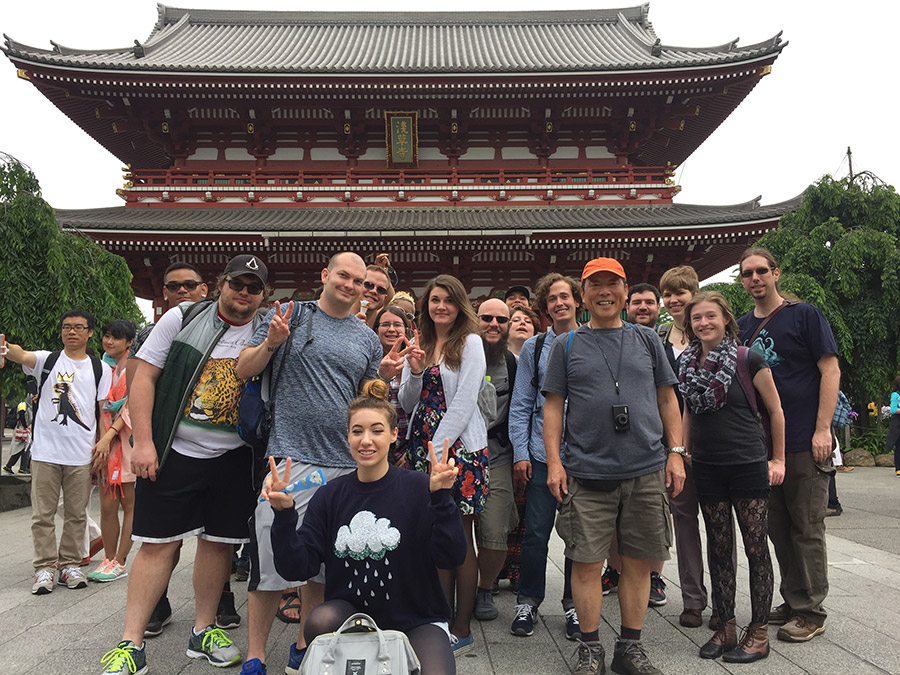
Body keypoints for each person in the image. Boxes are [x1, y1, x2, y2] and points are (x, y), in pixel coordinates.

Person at [99, 255, 269, 675]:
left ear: (262, 294)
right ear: (220, 283)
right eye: (237, 283)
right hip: (176, 449)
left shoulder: (266, 328)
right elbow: (145, 378)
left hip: (234, 457)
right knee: (158, 544)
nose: (243, 293)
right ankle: (130, 642)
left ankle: (204, 629)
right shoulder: (182, 316)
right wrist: (144, 442)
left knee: (218, 544)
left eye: (253, 287)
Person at [237, 251, 387, 675]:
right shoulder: (289, 315)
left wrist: (386, 377)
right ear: (325, 275)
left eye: (360, 282)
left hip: (344, 464)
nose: (353, 286)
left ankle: (305, 644)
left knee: (323, 564)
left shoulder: (367, 338)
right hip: (292, 458)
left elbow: (367, 395)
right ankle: (255, 654)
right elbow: (243, 369)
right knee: (268, 557)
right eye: (345, 276)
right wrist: (272, 342)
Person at [265, 379, 466, 675]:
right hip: (351, 614)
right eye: (357, 431)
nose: (366, 440)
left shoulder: (419, 487)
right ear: (347, 436)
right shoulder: (329, 497)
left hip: (417, 616)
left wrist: (441, 498)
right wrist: (283, 515)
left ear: (394, 434)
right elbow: (296, 568)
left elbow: (452, 557)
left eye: (377, 430)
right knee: (318, 621)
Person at [543, 257, 684, 675]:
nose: (604, 292)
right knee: (586, 563)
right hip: (587, 471)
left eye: (613, 284)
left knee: (639, 561)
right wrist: (554, 463)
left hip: (645, 468)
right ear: (583, 295)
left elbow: (666, 398)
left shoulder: (646, 339)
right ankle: (589, 648)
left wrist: (676, 451)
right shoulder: (566, 345)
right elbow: (552, 407)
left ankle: (630, 647)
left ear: (625, 292)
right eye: (595, 285)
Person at [737, 247, 840, 643]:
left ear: (776, 273)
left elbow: (829, 369)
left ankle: (812, 610)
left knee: (807, 525)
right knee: (777, 527)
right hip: (760, 444)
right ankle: (794, 598)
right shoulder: (743, 326)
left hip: (801, 438)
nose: (755, 278)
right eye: (747, 273)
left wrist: (822, 428)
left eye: (762, 270)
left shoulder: (805, 315)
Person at [679, 291, 786, 663]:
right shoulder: (687, 365)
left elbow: (775, 411)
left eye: (711, 316)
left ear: (726, 319)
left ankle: (758, 633)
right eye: (696, 318)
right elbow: (689, 412)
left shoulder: (747, 358)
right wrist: (682, 451)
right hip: (707, 466)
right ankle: (725, 625)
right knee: (719, 547)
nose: (703, 323)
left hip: (747, 463)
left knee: (756, 548)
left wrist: (778, 458)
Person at [399, 274, 487, 656]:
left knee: (460, 533)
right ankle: (436, 617)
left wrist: (440, 449)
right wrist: (415, 370)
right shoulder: (422, 341)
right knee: (433, 532)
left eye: (449, 300)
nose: (441, 307)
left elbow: (466, 400)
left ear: (460, 304)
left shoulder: (470, 342)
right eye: (435, 300)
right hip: (423, 447)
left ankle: (462, 626)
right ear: (426, 305)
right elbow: (406, 401)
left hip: (459, 449)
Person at [126, 261, 211, 637]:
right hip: (171, 443)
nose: (182, 291)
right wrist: (143, 439)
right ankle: (152, 608)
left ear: (204, 289)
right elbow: (137, 380)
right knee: (163, 538)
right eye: (173, 285)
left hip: (223, 451)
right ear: (162, 292)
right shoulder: (157, 328)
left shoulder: (239, 326)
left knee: (220, 537)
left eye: (189, 285)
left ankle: (215, 609)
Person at [3, 310, 113, 596]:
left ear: (90, 333)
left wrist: (103, 444)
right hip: (45, 452)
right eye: (66, 327)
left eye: (78, 327)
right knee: (43, 515)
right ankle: (44, 567)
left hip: (80, 453)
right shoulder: (47, 360)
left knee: (77, 514)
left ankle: (70, 565)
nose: (71, 332)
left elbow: (103, 411)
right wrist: (5, 347)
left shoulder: (100, 368)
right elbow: (20, 354)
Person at [508, 272, 582, 641]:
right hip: (540, 451)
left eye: (565, 296)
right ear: (545, 306)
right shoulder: (535, 348)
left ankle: (575, 602)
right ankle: (529, 599)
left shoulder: (592, 341)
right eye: (552, 298)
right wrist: (521, 452)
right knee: (535, 532)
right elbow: (521, 404)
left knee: (579, 535)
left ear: (577, 301)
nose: (559, 303)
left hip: (584, 455)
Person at [605, 280, 669, 610]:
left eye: (649, 302)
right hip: (607, 452)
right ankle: (614, 570)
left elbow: (668, 396)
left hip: (652, 447)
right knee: (614, 519)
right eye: (637, 303)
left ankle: (653, 576)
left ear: (659, 307)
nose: (642, 307)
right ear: (627, 305)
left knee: (650, 524)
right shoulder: (596, 340)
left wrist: (676, 450)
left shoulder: (660, 342)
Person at [657, 266, 710, 627]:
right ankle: (693, 598)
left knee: (721, 524)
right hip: (673, 445)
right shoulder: (657, 340)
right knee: (685, 521)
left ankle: (723, 596)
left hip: (714, 441)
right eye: (669, 294)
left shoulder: (712, 334)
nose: (674, 300)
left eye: (681, 293)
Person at [472, 298, 519, 622]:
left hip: (497, 455)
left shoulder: (514, 364)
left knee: (494, 530)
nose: (493, 324)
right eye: (486, 318)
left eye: (500, 320)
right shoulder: (457, 356)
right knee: (454, 531)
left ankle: (484, 588)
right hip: (459, 456)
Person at [88, 319, 137, 583]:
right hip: (103, 441)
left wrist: (110, 435)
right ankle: (108, 558)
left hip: (126, 442)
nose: (109, 341)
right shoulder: (100, 367)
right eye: (107, 336)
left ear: (129, 342)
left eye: (117, 338)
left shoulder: (135, 365)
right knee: (107, 505)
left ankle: (120, 560)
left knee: (129, 503)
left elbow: (131, 404)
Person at [373, 305, 413, 466]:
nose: (391, 329)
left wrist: (410, 451)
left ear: (406, 329)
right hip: (375, 445)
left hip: (408, 446)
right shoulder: (367, 361)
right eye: (385, 324)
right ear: (376, 329)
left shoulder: (415, 361)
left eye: (397, 325)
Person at [3, 399, 32, 475]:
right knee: (25, 449)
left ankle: (10, 466)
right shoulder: (23, 405)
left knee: (21, 450)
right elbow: (21, 415)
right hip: (22, 431)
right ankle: (22, 468)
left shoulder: (29, 406)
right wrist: (26, 426)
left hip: (24, 431)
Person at [887, 376, 900, 477]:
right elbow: (893, 410)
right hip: (897, 423)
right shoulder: (895, 395)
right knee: (899, 446)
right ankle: (898, 468)